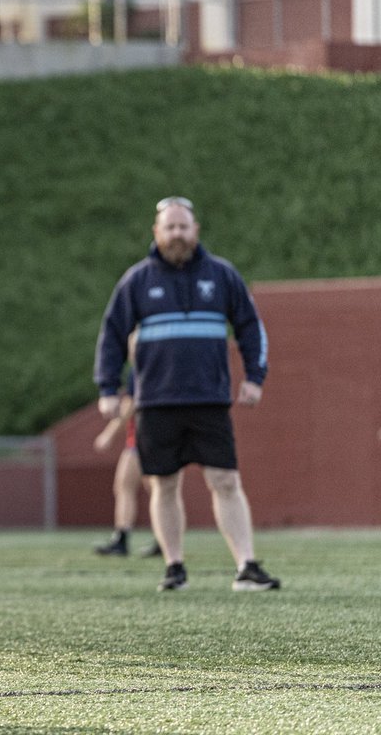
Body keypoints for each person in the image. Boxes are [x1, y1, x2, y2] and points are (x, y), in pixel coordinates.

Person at [94, 196, 279, 592]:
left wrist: (255, 377)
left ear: (196, 231)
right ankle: (174, 567)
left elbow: (250, 327)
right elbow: (111, 335)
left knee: (226, 480)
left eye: (183, 226)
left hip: (209, 400)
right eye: (169, 227)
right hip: (155, 403)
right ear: (156, 233)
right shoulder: (137, 280)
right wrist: (108, 388)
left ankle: (246, 566)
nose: (177, 234)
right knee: (163, 484)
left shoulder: (222, 276)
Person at [92, 333, 160, 558]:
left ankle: (123, 539)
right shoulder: (159, 366)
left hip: (142, 435)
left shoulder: (139, 368)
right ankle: (162, 538)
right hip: (156, 433)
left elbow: (129, 404)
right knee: (157, 488)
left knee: (127, 485)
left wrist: (108, 434)